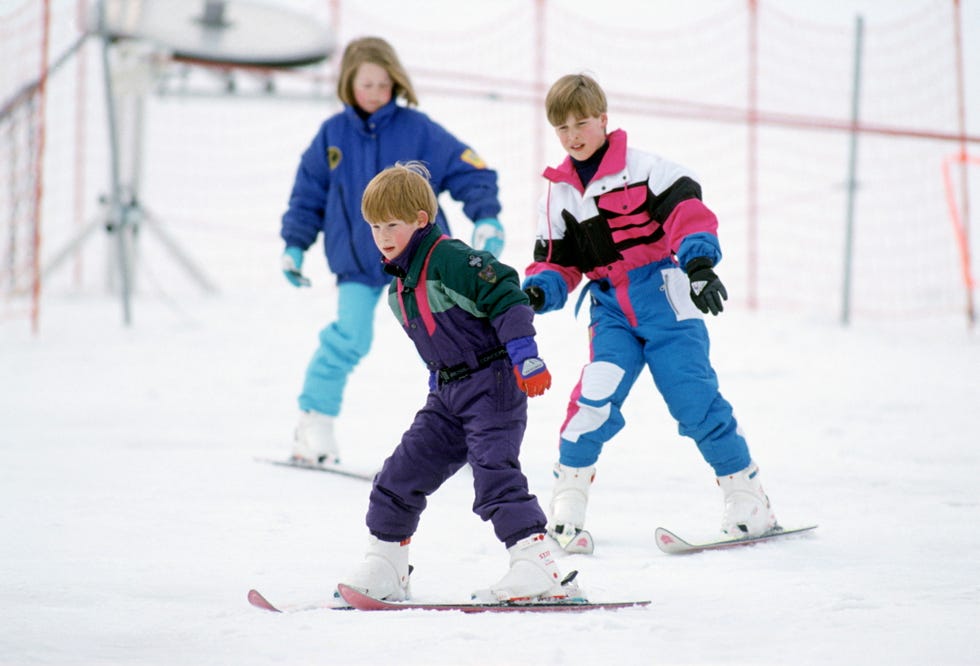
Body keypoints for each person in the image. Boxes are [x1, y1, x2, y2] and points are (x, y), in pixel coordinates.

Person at [521, 74, 778, 553]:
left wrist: (699, 264)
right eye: (562, 128)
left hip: (664, 298)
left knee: (693, 399)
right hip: (611, 310)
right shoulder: (557, 194)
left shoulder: (645, 170)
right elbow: (556, 261)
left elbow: (688, 214)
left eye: (581, 123)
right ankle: (567, 507)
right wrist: (540, 290)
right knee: (592, 399)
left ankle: (748, 499)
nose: (573, 135)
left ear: (603, 119)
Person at [338, 162, 572, 603]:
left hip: (495, 382)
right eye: (374, 226)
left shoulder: (449, 259)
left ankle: (536, 566)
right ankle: (388, 565)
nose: (383, 235)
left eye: (392, 224)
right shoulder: (400, 291)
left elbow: (506, 292)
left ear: (421, 220)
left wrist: (525, 356)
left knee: (493, 472)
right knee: (399, 474)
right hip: (447, 395)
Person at [279, 37, 505, 467]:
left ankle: (471, 427)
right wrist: (294, 244)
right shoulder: (332, 136)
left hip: (424, 262)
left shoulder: (418, 130)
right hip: (359, 264)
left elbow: (471, 170)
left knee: (453, 337)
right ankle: (314, 423)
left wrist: (486, 217)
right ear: (348, 83)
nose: (376, 92)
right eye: (366, 84)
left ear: (396, 81)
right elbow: (307, 195)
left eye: (384, 83)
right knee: (350, 337)